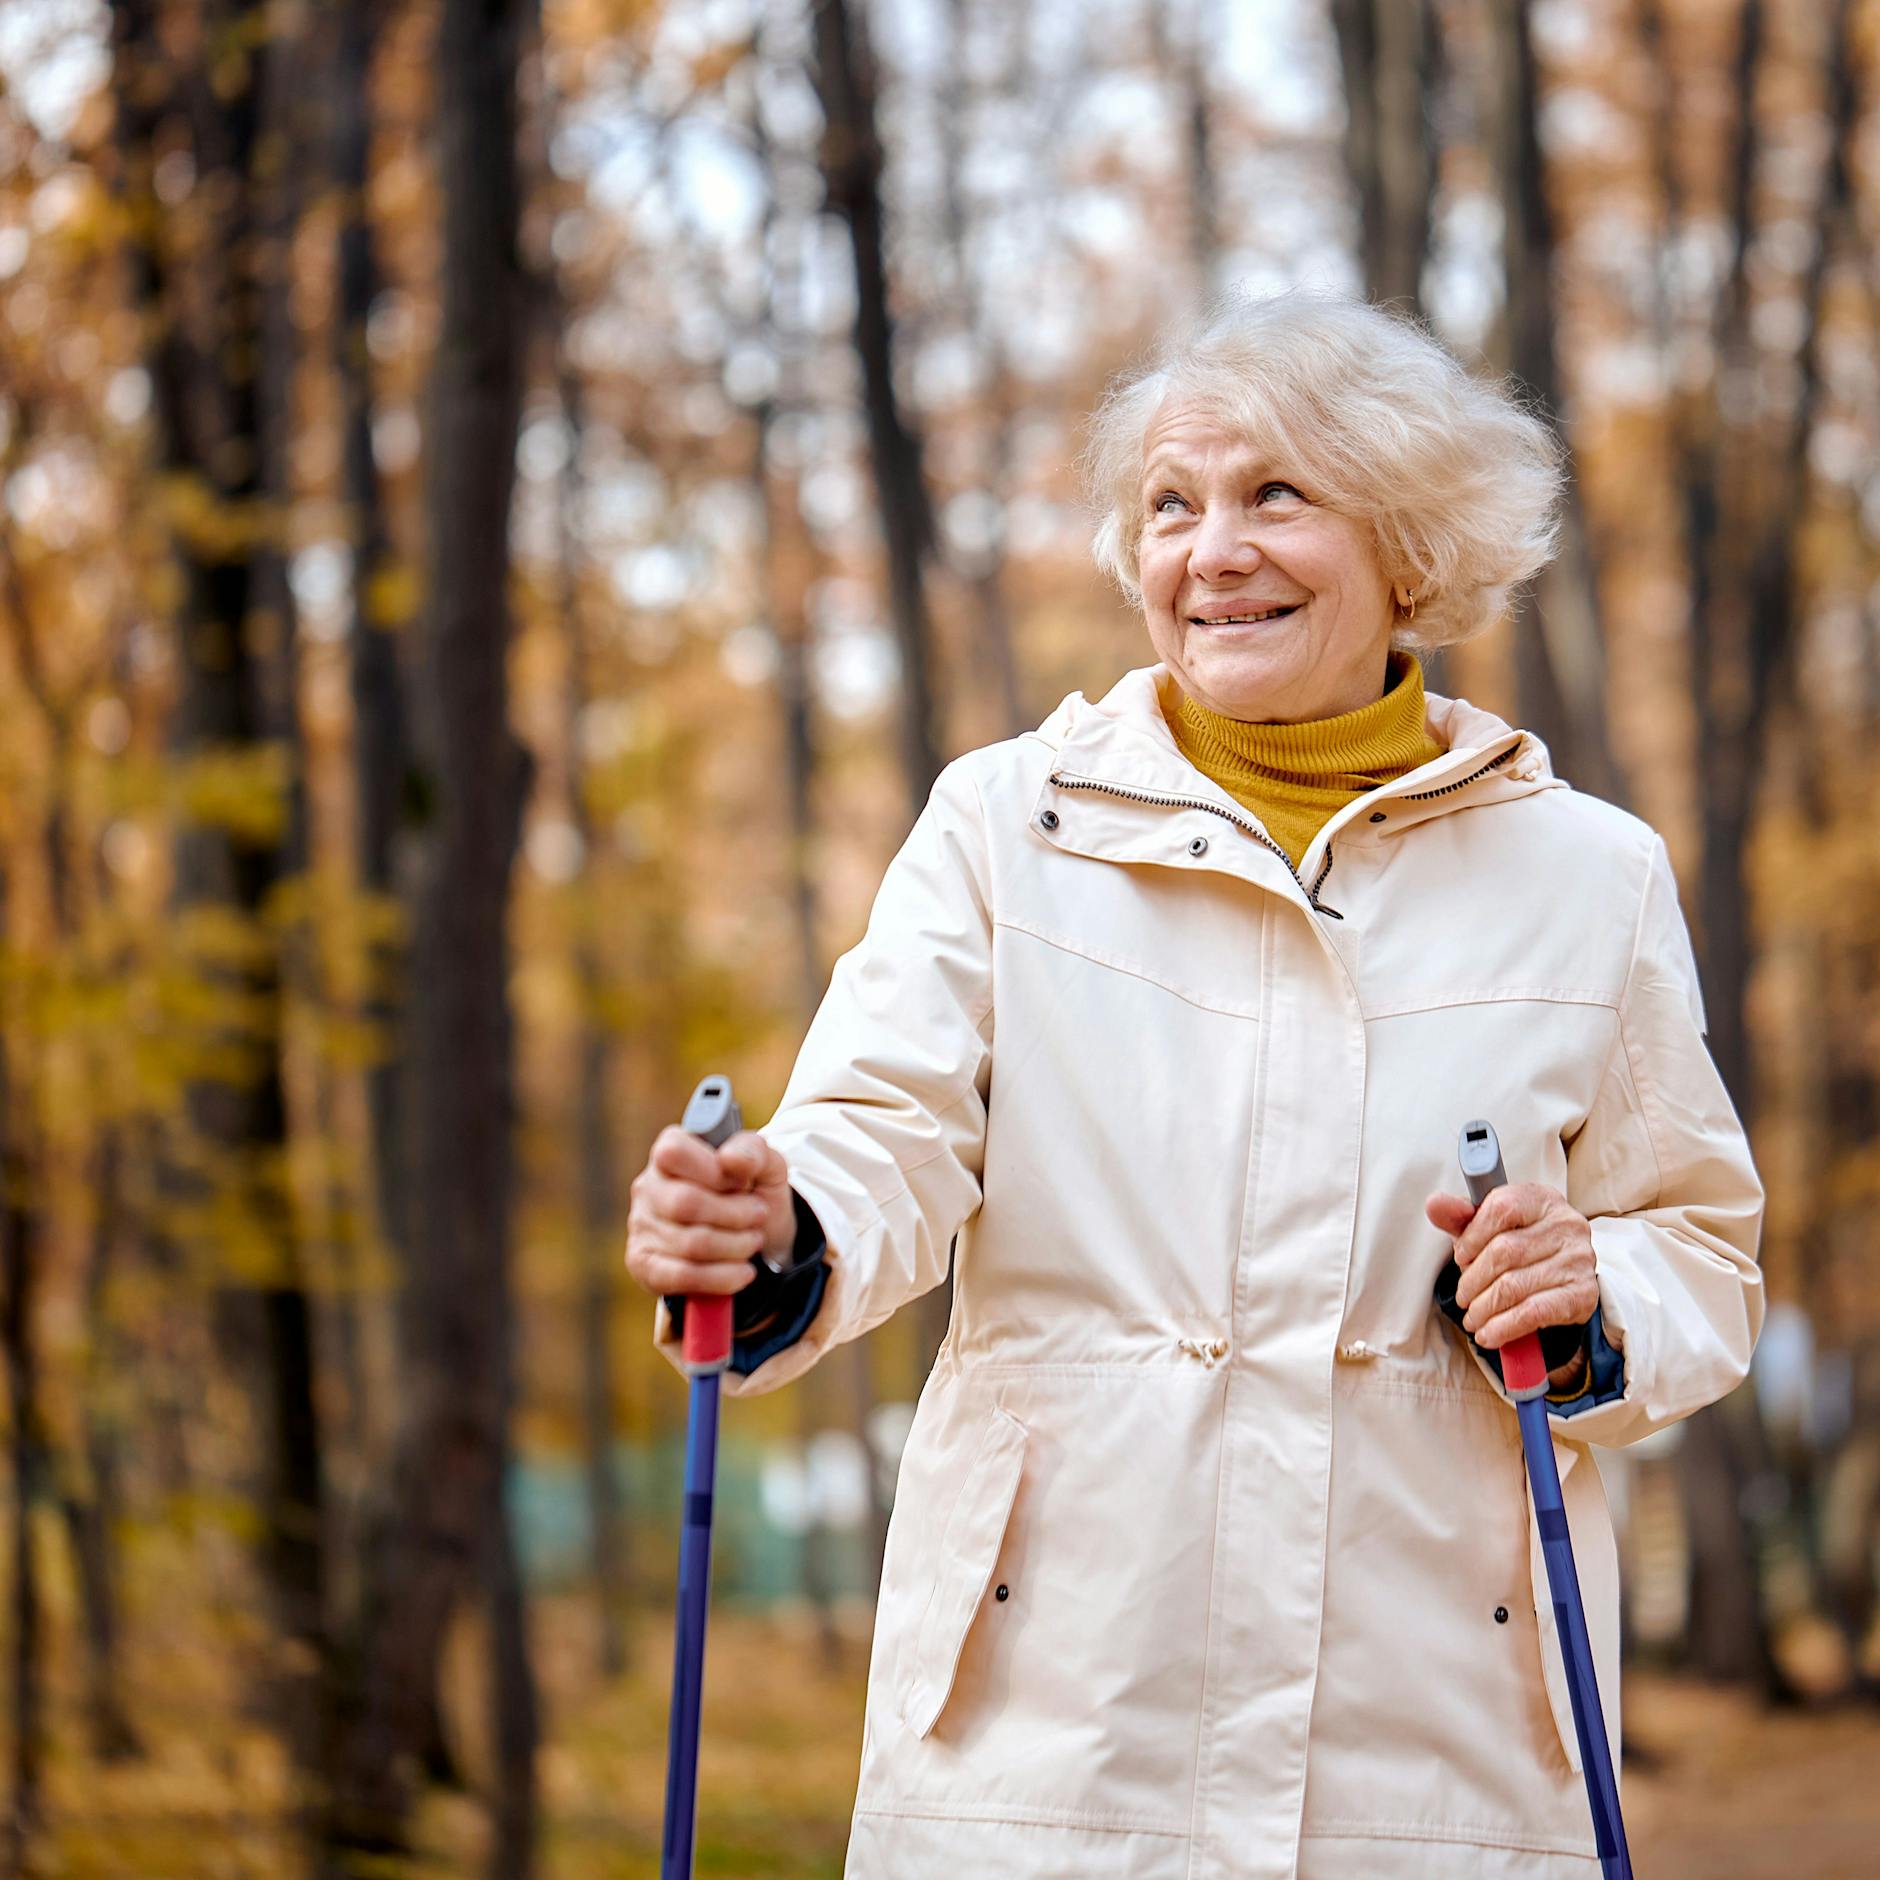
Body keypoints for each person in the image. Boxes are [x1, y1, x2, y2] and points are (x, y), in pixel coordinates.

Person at [624, 291, 1764, 1879]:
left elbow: (1703, 1251)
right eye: (1172, 506)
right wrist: (776, 1225)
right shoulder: (1008, 828)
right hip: (1047, 1757)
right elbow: (876, 1137)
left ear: (1409, 546)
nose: (1210, 552)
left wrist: (1593, 1291)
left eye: (1275, 495)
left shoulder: (1591, 878)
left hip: (1439, 1781)